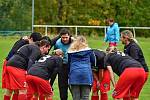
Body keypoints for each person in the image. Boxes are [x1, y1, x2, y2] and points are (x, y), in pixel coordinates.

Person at [120, 30, 149, 100]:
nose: (120, 39)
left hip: (141, 72)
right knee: (127, 94)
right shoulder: (127, 46)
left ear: (126, 38)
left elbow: (134, 62)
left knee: (133, 95)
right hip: (135, 71)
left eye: (121, 37)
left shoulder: (133, 47)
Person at [68, 36, 95, 100]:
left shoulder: (71, 52)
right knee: (85, 97)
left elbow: (69, 63)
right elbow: (93, 61)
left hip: (74, 73)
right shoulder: (89, 51)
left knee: (76, 97)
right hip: (86, 73)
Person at [50, 28, 74, 100]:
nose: (65, 39)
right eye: (63, 37)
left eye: (66, 37)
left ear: (69, 36)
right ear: (60, 37)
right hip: (62, 65)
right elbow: (53, 53)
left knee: (73, 85)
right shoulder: (57, 43)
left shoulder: (74, 42)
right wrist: (55, 52)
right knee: (62, 85)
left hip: (72, 66)